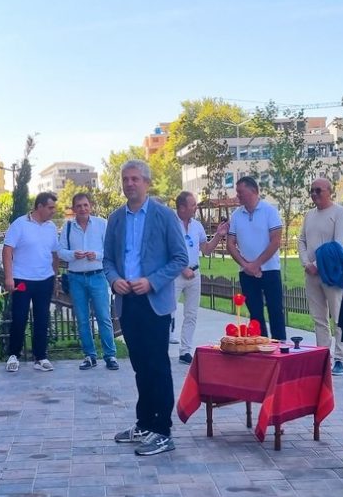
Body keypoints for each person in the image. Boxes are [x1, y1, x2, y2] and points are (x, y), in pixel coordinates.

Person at [103, 159, 187, 456]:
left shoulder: (164, 216)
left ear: (147, 183)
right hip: (127, 301)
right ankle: (144, 423)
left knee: (158, 365)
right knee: (140, 365)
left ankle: (163, 431)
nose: (129, 184)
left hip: (154, 300)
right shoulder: (116, 218)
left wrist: (152, 281)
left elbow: (180, 258)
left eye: (135, 179)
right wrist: (114, 280)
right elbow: (107, 260)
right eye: (125, 179)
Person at [58, 193, 118, 371]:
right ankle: (90, 355)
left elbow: (111, 250)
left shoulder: (101, 224)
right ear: (73, 208)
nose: (83, 209)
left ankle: (110, 355)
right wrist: (72, 254)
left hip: (97, 275)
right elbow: (60, 251)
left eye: (85, 205)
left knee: (104, 317)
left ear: (90, 206)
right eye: (79, 206)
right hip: (76, 277)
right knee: (82, 319)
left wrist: (96, 255)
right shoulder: (68, 226)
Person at [2, 192, 59, 373]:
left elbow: (55, 254)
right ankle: (13, 355)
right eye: (50, 207)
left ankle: (40, 357)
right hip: (22, 280)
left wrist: (55, 277)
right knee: (19, 318)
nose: (53, 211)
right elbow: (7, 251)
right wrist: (9, 277)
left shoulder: (51, 227)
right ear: (39, 207)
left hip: (45, 279)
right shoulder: (20, 224)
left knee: (42, 319)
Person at [298, 177, 343, 375]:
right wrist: (306, 263)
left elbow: (339, 244)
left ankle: (341, 359)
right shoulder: (309, 215)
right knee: (318, 318)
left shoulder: (339, 213)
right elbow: (301, 240)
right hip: (311, 274)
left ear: (330, 191)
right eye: (311, 190)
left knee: (338, 317)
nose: (314, 194)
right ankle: (322, 356)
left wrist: (317, 265)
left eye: (318, 190)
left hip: (332, 273)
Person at [172, 192, 229, 364]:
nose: (195, 208)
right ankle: (159, 349)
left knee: (191, 314)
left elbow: (206, 250)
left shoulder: (197, 226)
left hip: (194, 274)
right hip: (175, 275)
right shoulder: (170, 224)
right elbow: (165, 251)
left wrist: (218, 235)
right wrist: (182, 268)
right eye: (193, 205)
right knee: (168, 312)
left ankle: (185, 351)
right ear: (182, 207)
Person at [226, 176, 286, 340]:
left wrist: (257, 264)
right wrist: (246, 265)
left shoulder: (270, 211)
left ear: (253, 191)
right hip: (246, 272)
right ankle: (259, 344)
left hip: (270, 269)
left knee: (275, 310)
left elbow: (275, 241)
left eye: (240, 192)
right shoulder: (236, 215)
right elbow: (230, 244)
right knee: (255, 312)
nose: (238, 195)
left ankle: (280, 345)